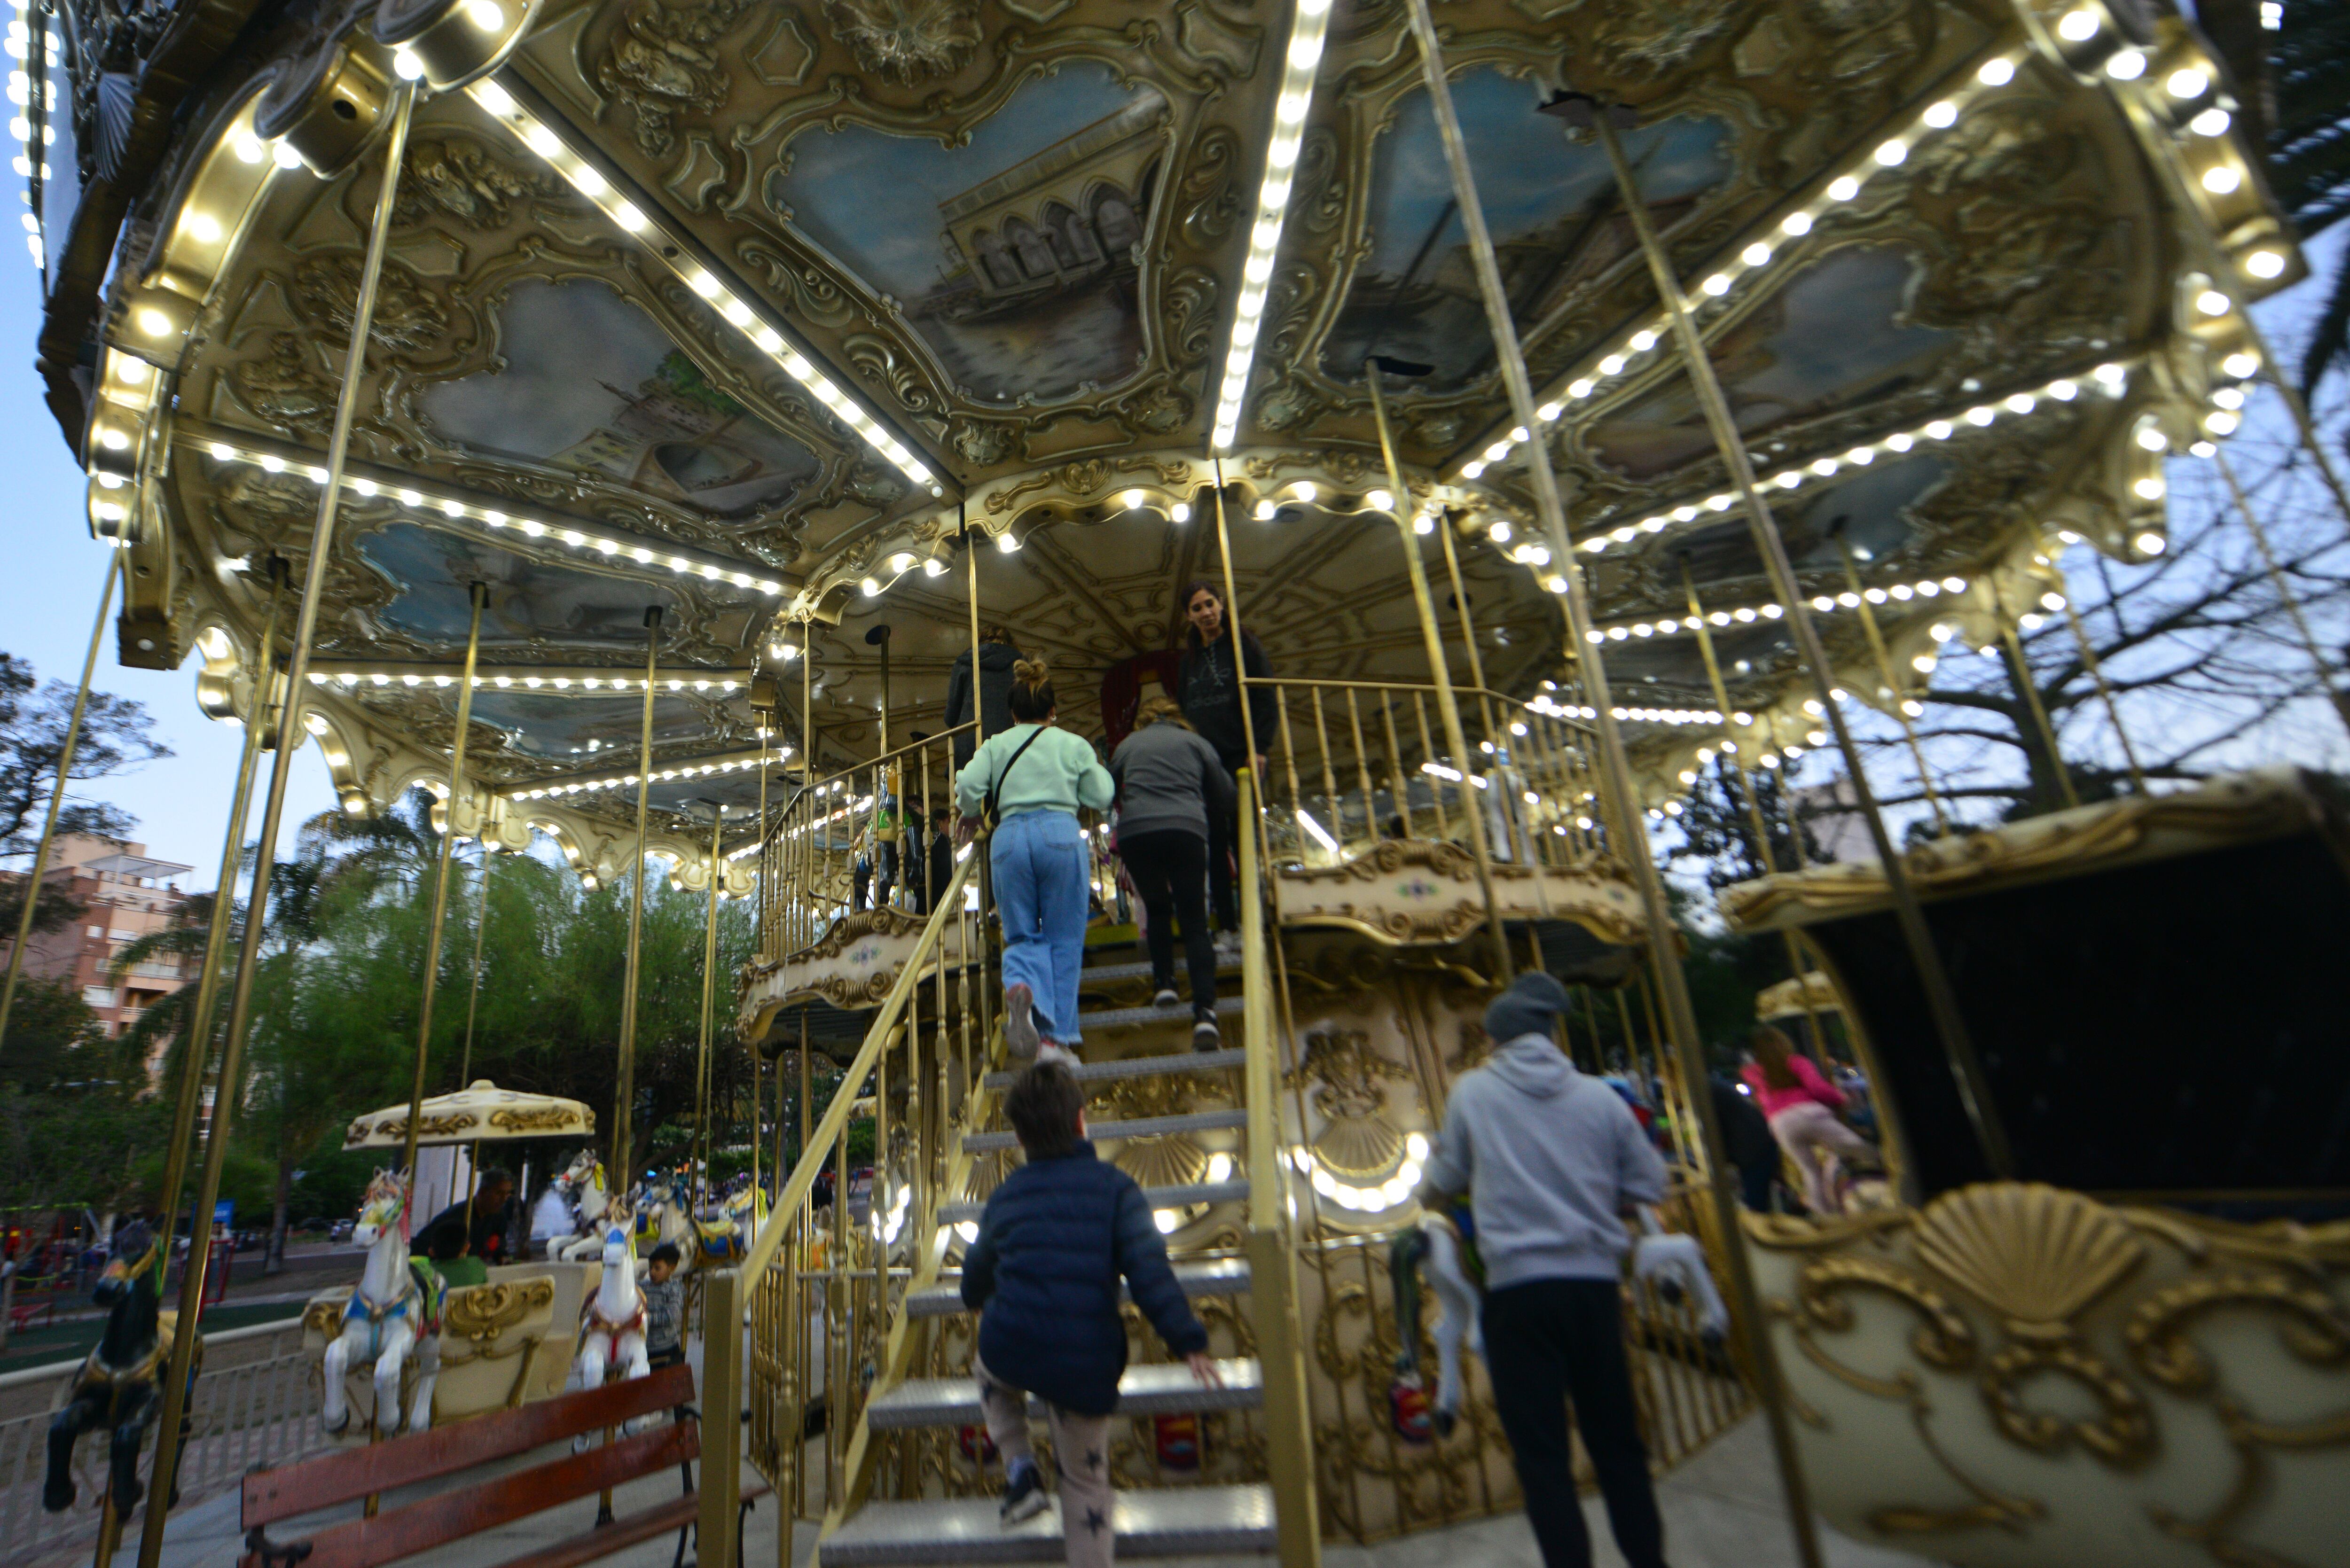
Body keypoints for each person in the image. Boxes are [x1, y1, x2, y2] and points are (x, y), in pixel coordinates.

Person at [1423, 972, 1671, 1568]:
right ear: (1549, 1032)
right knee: (1618, 1446)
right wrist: (1590, 1197)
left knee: (1543, 1461)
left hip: (1518, 1293)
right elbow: (1650, 1182)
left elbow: (1438, 1184)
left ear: (1496, 1039)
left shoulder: (1473, 1093)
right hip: (1592, 1289)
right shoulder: (1597, 1096)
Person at [960, 1062, 1220, 1559]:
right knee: (1084, 1483)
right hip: (1084, 1361)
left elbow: (976, 1271)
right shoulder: (1117, 1188)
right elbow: (1149, 1273)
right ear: (1083, 1121)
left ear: (1018, 1137)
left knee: (987, 1372)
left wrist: (976, 1302)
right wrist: (1188, 1341)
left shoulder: (1005, 1195)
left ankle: (1019, 1467)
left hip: (1011, 1344)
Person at [956, 659, 1114, 1065]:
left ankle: (1022, 982)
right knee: (1063, 940)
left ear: (1012, 713)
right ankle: (1055, 1040)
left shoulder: (996, 744)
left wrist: (971, 808)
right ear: (1052, 711)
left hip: (1008, 839)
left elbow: (969, 787)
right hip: (1060, 834)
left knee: (1023, 935)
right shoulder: (1071, 743)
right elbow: (1101, 796)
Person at [1109, 696, 1234, 1049]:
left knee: (1158, 906)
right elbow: (1225, 792)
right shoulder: (1195, 742)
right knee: (1194, 920)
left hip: (1136, 833)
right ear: (1179, 717)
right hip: (1185, 828)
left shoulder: (1127, 745)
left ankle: (1164, 982)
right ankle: (1205, 1014)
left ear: (1143, 721)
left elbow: (1107, 787)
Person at [1173, 582, 1274, 936]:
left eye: (1210, 604)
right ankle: (1229, 924)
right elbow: (1185, 711)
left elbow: (1264, 695)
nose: (1206, 613)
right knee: (1213, 843)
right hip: (1206, 763)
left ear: (1222, 604)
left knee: (1244, 838)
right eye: (1197, 608)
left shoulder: (1244, 646)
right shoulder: (1190, 662)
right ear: (1189, 615)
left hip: (1241, 754)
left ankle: (1254, 918)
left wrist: (1259, 745)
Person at [1741, 1025, 1878, 1216]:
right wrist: (1840, 1098)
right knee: (1856, 1146)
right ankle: (1889, 1180)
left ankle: (1825, 1215)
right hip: (1808, 1114)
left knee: (1810, 1171)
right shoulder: (1795, 1062)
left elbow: (1762, 1102)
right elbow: (1818, 1088)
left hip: (1780, 1123)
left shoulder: (1755, 1074)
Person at [946, 624, 1025, 770]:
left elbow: (951, 717)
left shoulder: (964, 663)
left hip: (968, 748)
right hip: (1009, 747)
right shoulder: (1021, 665)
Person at [1709, 1072, 1780, 1213]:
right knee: (1758, 1202)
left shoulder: (1706, 1091)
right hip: (1757, 1144)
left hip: (1751, 1149)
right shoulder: (1712, 1086)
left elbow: (1717, 1129)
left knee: (1756, 1206)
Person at [417, 1166, 515, 1269]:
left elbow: (500, 1249)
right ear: (482, 1192)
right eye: (499, 1193)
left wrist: (503, 1258)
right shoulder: (454, 1217)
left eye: (507, 1194)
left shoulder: (499, 1218)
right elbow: (421, 1245)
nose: (504, 1199)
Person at [642, 1242, 686, 1371]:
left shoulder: (674, 1290)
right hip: (646, 1348)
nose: (652, 1272)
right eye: (650, 1268)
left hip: (666, 1349)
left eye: (657, 1268)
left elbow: (671, 1316)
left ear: (672, 1268)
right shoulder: (643, 1287)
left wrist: (646, 1319)